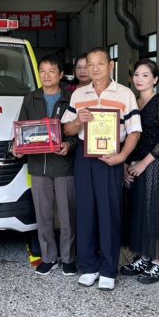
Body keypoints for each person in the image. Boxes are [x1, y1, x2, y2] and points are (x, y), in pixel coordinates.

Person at [61, 47, 141, 291]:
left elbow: (134, 129)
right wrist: (77, 121)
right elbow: (67, 129)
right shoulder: (78, 94)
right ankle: (88, 266)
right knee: (85, 211)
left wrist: (122, 156)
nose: (94, 69)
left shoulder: (125, 94)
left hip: (111, 157)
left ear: (111, 66)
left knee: (109, 212)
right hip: (85, 157)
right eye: (90, 64)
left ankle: (108, 269)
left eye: (100, 64)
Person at [17, 55, 77, 277]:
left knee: (67, 213)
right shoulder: (30, 99)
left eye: (51, 71)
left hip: (63, 166)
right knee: (43, 216)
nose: (46, 75)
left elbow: (78, 132)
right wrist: (18, 146)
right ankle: (49, 257)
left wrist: (69, 146)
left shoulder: (71, 99)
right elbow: (22, 129)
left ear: (61, 75)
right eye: (42, 71)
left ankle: (69, 258)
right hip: (38, 166)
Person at [120, 58, 159, 284]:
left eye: (145, 75)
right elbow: (122, 134)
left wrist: (144, 163)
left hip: (155, 165)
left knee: (156, 213)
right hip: (132, 165)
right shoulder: (131, 103)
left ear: (156, 79)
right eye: (136, 75)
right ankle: (143, 257)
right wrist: (125, 162)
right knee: (138, 212)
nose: (139, 79)